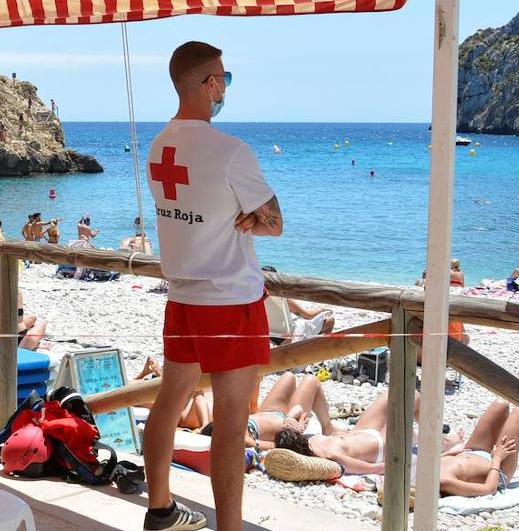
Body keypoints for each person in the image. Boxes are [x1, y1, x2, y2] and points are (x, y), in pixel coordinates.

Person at [141, 41, 282, 531]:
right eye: (225, 78)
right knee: (229, 419)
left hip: (182, 294)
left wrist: (233, 213)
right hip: (231, 299)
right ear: (210, 84)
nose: (226, 87)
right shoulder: (230, 151)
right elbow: (275, 222)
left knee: (169, 399)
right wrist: (247, 218)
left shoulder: (159, 146)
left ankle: (159, 509)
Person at [272, 387, 429, 475]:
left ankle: (429, 437)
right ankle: (432, 438)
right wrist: (387, 467)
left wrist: (290, 420)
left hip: (360, 431)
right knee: (409, 396)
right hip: (380, 445)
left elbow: (299, 408)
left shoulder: (308, 442)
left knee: (396, 393)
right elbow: (362, 467)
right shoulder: (324, 456)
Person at [438, 402, 519, 497]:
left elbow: (442, 460)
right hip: (498, 470)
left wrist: (457, 450)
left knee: (501, 404)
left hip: (471, 452)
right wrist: (497, 458)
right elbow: (489, 489)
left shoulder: (424, 472)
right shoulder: (445, 482)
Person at [0, 268, 47, 350]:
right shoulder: (18, 293)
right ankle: (36, 344)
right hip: (24, 340)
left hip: (3, 340)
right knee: (41, 324)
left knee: (32, 320)